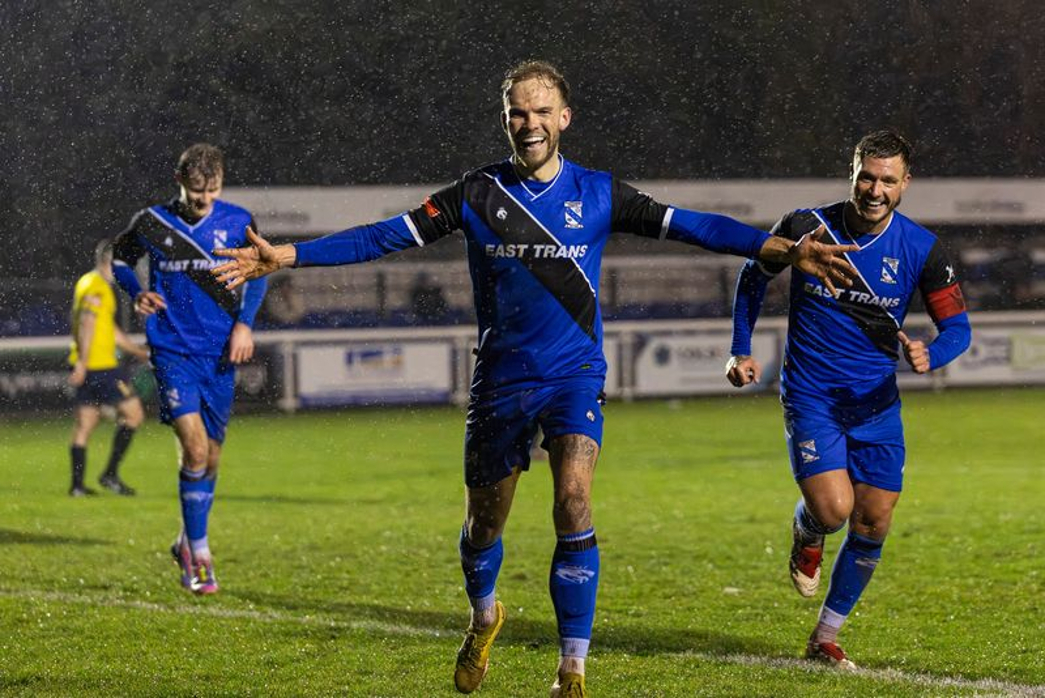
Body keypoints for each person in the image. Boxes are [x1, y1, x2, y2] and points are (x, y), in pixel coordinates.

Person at [212, 61, 856, 696]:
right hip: (500, 382)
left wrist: (784, 249)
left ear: (564, 119)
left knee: (573, 499)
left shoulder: (600, 193)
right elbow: (387, 236)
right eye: (519, 112)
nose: (530, 123)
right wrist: (290, 255)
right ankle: (485, 612)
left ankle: (570, 669)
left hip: (574, 374)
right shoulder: (475, 195)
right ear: (505, 120)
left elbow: (696, 227)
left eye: (542, 111)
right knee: (484, 528)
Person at [726, 129, 972, 670]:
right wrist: (739, 348)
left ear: (906, 184)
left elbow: (958, 327)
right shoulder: (804, 226)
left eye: (888, 179)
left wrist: (935, 351)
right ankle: (808, 527)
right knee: (834, 511)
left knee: (874, 522)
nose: (875, 188)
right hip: (812, 396)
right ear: (852, 172)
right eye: (867, 175)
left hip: (877, 405)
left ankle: (826, 636)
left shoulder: (922, 249)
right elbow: (751, 276)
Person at [111, 143, 267, 595]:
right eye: (197, 192)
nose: (205, 200)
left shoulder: (238, 221)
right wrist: (135, 291)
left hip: (220, 353)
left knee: (211, 457)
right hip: (172, 349)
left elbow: (259, 271)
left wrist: (244, 325)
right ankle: (199, 554)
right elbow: (121, 258)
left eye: (213, 190)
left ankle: (185, 539)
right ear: (180, 181)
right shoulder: (152, 222)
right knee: (195, 451)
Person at [67, 238, 150, 497]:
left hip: (90, 363)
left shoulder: (87, 282)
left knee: (85, 424)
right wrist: (83, 363)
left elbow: (108, 329)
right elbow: (88, 325)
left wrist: (138, 352)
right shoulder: (98, 288)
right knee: (134, 415)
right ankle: (110, 474)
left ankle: (77, 487)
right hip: (100, 365)